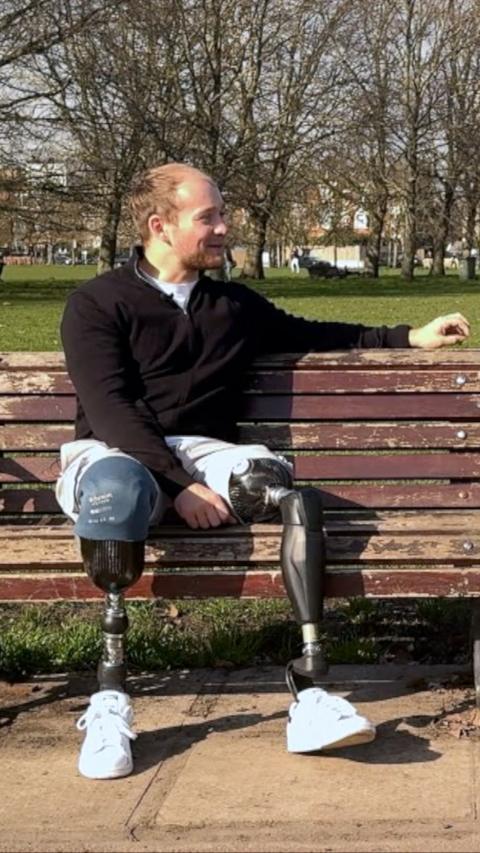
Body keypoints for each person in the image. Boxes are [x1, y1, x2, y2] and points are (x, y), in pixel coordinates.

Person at [57, 162, 470, 780]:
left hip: (204, 451)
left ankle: (311, 690)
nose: (225, 228)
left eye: (224, 215)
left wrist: (411, 336)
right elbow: (113, 411)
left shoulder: (232, 306)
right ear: (159, 225)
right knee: (116, 492)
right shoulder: (97, 304)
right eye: (210, 218)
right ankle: (112, 697)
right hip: (113, 453)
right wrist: (181, 485)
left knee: (291, 499)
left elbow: (319, 332)